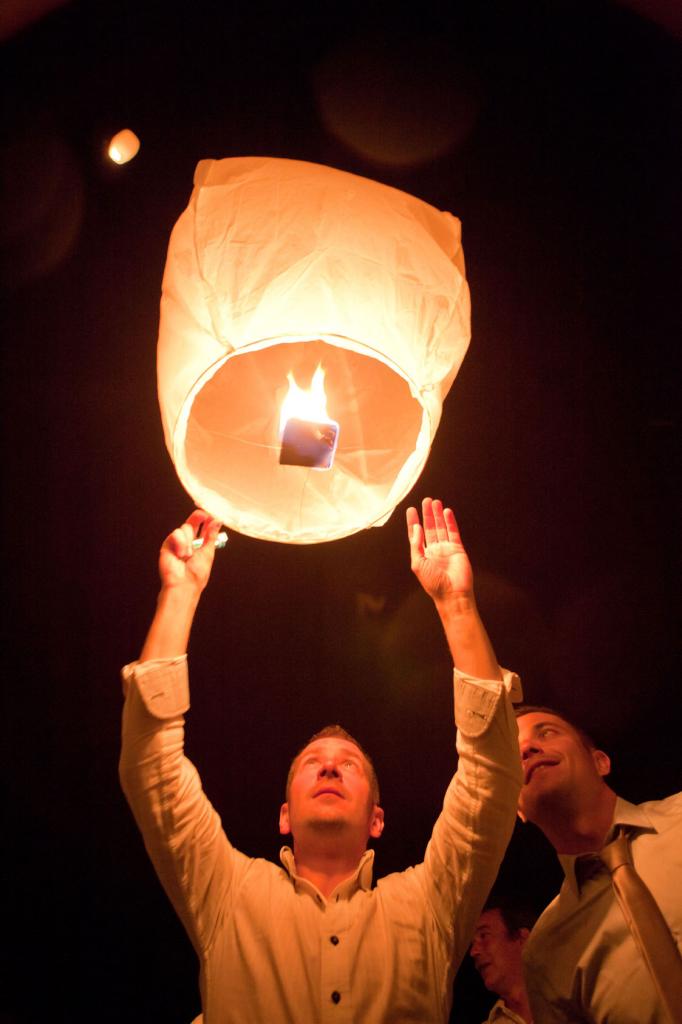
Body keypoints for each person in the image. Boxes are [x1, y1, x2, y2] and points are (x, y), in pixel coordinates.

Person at [119, 497, 523, 1023]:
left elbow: (490, 779)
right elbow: (152, 768)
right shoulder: (228, 892)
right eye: (313, 762)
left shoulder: (429, 905)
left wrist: (457, 606)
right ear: (284, 815)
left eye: (349, 764)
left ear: (377, 819)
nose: (330, 767)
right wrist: (179, 593)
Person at [516, 705, 682, 1024]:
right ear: (516, 809)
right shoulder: (545, 954)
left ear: (600, 761)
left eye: (546, 732)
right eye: (512, 752)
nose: (526, 748)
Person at [469, 899, 536, 1023]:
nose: (473, 952)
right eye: (472, 944)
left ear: (522, 939)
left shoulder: (570, 1004)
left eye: (484, 935)